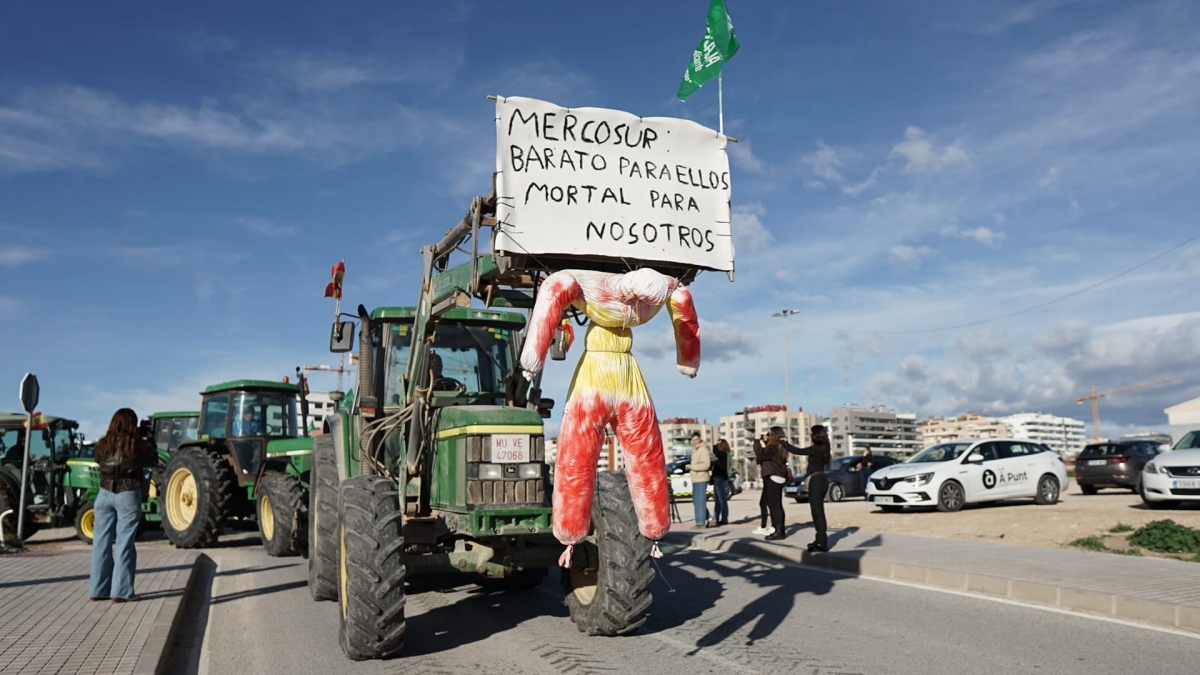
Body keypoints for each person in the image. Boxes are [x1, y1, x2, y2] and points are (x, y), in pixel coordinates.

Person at [89, 408, 157, 602]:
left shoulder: (102, 444)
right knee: (124, 543)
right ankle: (121, 592)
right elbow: (153, 461)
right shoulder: (137, 445)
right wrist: (149, 439)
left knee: (100, 543)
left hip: (104, 494)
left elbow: (97, 459)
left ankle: (97, 589)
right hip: (127, 494)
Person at [780, 424, 832, 552]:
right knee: (817, 511)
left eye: (811, 433)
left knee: (817, 512)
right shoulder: (823, 448)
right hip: (820, 480)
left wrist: (784, 443)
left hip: (817, 481)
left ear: (816, 435)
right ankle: (819, 539)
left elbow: (798, 451)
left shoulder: (816, 449)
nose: (810, 435)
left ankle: (822, 542)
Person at [752, 430, 789, 539]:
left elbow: (760, 454)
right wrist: (764, 442)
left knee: (775, 506)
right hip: (778, 476)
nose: (766, 436)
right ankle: (777, 529)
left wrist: (756, 440)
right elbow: (765, 455)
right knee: (776, 505)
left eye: (769, 434)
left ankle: (779, 531)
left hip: (773, 476)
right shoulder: (779, 446)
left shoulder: (773, 447)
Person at [685, 432, 713, 528]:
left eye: (696, 439)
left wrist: (693, 467)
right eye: (693, 440)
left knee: (699, 501)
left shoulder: (703, 450)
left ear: (700, 439)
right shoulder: (695, 450)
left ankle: (700, 523)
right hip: (696, 478)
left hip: (701, 477)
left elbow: (706, 465)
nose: (695, 442)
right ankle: (709, 518)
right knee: (696, 501)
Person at [711, 439, 732, 526]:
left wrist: (715, 445)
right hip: (718, 478)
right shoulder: (722, 456)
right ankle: (716, 517)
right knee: (717, 499)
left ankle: (724, 518)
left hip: (720, 478)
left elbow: (716, 452)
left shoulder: (723, 454)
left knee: (722, 499)